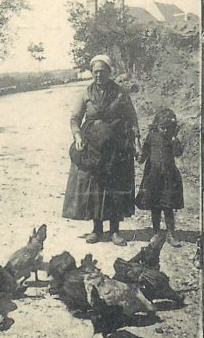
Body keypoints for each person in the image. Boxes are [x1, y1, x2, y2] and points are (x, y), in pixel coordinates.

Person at [62, 54, 140, 246]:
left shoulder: (120, 93)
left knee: (115, 187)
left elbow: (132, 118)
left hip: (117, 148)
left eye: (102, 72)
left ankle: (115, 231)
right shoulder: (85, 94)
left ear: (109, 72)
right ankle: (97, 230)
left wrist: (136, 142)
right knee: (95, 188)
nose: (98, 75)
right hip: (93, 148)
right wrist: (78, 137)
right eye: (95, 72)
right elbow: (75, 119)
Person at [135, 107, 184, 247]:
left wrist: (174, 139)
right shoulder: (152, 136)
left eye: (169, 128)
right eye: (163, 127)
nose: (166, 131)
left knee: (168, 206)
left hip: (169, 178)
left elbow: (178, 153)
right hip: (153, 176)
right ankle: (156, 232)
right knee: (155, 207)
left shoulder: (172, 138)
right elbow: (144, 153)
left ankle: (171, 234)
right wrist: (139, 157)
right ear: (157, 125)